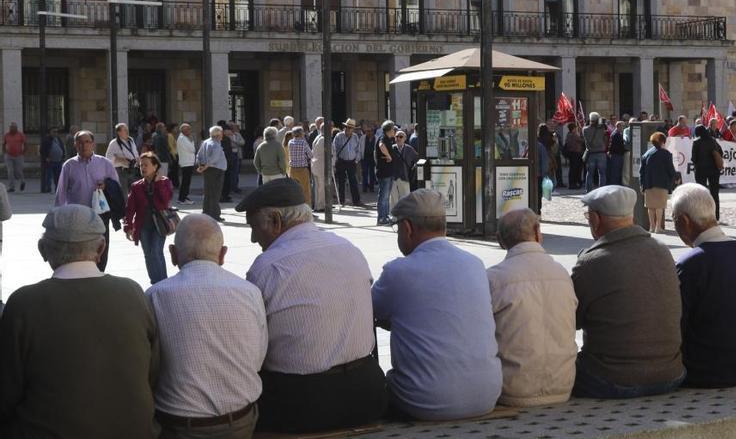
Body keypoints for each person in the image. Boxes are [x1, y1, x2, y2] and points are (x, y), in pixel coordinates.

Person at [237, 179, 386, 433]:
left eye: (254, 227)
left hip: (304, 402)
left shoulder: (268, 267)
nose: (252, 238)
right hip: (367, 395)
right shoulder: (349, 249)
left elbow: (251, 351)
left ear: (275, 221)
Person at [0, 205, 159, 438]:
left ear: (43, 250)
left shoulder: (24, 303)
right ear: (101, 248)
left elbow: (7, 391)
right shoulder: (133, 292)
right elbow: (153, 374)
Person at [373, 189, 502, 419]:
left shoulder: (398, 272)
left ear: (407, 228)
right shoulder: (475, 264)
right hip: (486, 396)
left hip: (424, 400)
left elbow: (368, 311)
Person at [146, 214, 268, 439]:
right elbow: (257, 359)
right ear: (222, 255)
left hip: (177, 425)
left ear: (173, 255)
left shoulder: (155, 296)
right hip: (239, 421)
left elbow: (149, 367)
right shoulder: (249, 292)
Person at [572, 185, 684, 398]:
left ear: (595, 219)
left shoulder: (591, 262)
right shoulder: (662, 251)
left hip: (611, 380)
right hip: (671, 374)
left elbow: (570, 320)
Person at [670, 183, 736, 388]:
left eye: (673, 220)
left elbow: (674, 328)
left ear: (684, 221)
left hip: (707, 373)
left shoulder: (690, 265)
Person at [488, 208, 577, 406]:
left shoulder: (493, 279)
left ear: (500, 240)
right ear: (538, 233)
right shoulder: (562, 273)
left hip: (512, 390)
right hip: (563, 386)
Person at [55, 130, 118, 272]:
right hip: (77, 217)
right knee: (78, 251)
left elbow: (116, 188)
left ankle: (99, 274)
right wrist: (58, 217)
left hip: (100, 215)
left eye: (87, 142)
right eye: (80, 142)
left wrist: (106, 185)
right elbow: (61, 193)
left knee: (101, 248)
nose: (84, 145)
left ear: (93, 144)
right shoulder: (69, 166)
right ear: (75, 145)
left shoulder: (105, 163)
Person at [124, 151, 172, 285]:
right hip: (143, 225)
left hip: (159, 224)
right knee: (148, 254)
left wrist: (159, 184)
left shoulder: (164, 182)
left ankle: (163, 283)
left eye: (146, 165)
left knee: (156, 251)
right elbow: (130, 209)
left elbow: (166, 201)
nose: (143, 168)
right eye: (140, 166)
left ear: (155, 166)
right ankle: (155, 282)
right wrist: (128, 227)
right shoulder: (136, 186)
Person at [639, 132, 677, 234]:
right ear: (662, 142)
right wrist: (675, 179)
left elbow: (641, 171)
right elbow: (670, 169)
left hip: (648, 183)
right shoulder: (666, 154)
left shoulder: (646, 154)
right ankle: (658, 227)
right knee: (659, 206)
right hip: (662, 183)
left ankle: (651, 227)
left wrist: (641, 184)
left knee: (650, 206)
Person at [195, 126, 228, 222]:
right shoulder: (215, 144)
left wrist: (201, 166)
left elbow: (199, 155)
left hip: (208, 170)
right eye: (221, 133)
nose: (222, 135)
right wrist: (204, 166)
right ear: (218, 134)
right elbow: (214, 159)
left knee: (208, 192)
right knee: (215, 193)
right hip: (216, 170)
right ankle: (215, 214)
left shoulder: (205, 142)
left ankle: (206, 212)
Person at [691, 125, 723, 221]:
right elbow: (720, 152)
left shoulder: (696, 142)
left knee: (701, 193)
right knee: (714, 193)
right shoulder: (712, 140)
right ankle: (715, 215)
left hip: (701, 170)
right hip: (714, 170)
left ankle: (703, 215)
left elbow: (694, 158)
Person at [333, 118, 363, 206]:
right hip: (341, 161)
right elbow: (334, 149)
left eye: (351, 128)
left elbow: (358, 150)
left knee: (353, 181)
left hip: (352, 162)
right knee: (341, 182)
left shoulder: (355, 137)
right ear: (345, 127)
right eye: (347, 127)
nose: (349, 129)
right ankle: (341, 200)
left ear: (353, 129)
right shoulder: (339, 136)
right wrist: (335, 161)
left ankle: (356, 200)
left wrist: (356, 160)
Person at [105, 122, 140, 199]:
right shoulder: (114, 143)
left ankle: (132, 207)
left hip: (132, 168)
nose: (127, 131)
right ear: (119, 132)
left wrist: (138, 161)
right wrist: (120, 159)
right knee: (124, 191)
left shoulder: (131, 140)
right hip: (121, 170)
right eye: (124, 130)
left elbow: (135, 152)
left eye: (127, 129)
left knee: (134, 189)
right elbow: (108, 157)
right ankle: (124, 209)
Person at [390, 130, 418, 211]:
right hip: (393, 177)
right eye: (396, 137)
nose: (398, 138)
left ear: (405, 138)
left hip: (405, 177)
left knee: (405, 198)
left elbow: (417, 158)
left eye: (401, 137)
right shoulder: (392, 148)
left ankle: (406, 214)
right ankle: (394, 215)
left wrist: (413, 168)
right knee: (393, 198)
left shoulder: (409, 149)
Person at [582, 112, 608, 191]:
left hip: (591, 153)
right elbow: (604, 122)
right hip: (601, 153)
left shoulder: (585, 129)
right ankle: (601, 190)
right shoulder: (602, 128)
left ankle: (589, 190)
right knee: (602, 174)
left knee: (590, 174)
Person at [287, 126, 313, 195]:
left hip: (292, 169)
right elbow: (311, 155)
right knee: (305, 190)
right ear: (301, 133)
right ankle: (307, 204)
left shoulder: (290, 142)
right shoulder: (303, 142)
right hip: (302, 169)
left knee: (293, 189)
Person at [40, 127, 65, 193]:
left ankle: (57, 189)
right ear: (50, 132)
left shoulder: (58, 139)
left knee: (58, 176)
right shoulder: (46, 140)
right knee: (48, 176)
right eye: (54, 131)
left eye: (56, 132)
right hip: (50, 161)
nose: (55, 133)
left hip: (58, 161)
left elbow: (62, 148)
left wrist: (63, 156)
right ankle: (48, 188)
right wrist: (46, 158)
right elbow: (42, 150)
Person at [176, 123, 196, 205]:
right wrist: (191, 141)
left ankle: (184, 197)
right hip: (186, 163)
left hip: (188, 162)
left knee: (186, 182)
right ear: (184, 130)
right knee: (185, 182)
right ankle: (182, 199)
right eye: (188, 129)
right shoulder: (183, 138)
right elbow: (192, 149)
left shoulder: (184, 138)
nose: (190, 131)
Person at [3, 122, 25, 192]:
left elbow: (25, 143)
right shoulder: (6, 135)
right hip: (9, 156)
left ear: (16, 128)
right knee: (10, 171)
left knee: (18, 171)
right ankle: (11, 187)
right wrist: (5, 152)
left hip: (19, 155)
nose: (12, 129)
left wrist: (23, 152)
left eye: (13, 127)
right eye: (11, 127)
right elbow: (4, 144)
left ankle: (22, 181)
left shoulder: (20, 135)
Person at [564, 122, 585, 189]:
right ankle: (573, 183)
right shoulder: (574, 135)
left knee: (574, 169)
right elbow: (582, 141)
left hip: (573, 154)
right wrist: (581, 135)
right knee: (575, 169)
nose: (576, 129)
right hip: (575, 154)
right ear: (573, 128)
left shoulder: (568, 135)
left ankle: (574, 182)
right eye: (575, 128)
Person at [607, 121, 626, 186]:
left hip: (617, 154)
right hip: (616, 154)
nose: (623, 128)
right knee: (615, 171)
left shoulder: (618, 133)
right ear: (618, 126)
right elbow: (613, 145)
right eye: (622, 126)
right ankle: (614, 185)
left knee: (617, 171)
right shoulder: (615, 134)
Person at [230, 122, 245, 193]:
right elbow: (231, 145)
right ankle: (231, 186)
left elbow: (243, 142)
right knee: (232, 172)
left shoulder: (238, 134)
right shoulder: (228, 135)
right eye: (235, 127)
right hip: (231, 155)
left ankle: (236, 186)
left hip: (238, 155)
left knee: (237, 172)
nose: (236, 129)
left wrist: (235, 142)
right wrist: (236, 143)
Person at [361, 123, 377, 193]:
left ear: (373, 131)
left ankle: (371, 187)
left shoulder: (376, 138)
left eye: (370, 131)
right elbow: (360, 147)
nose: (368, 132)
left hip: (373, 158)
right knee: (364, 173)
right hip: (364, 158)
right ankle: (364, 187)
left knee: (372, 173)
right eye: (367, 131)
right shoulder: (363, 138)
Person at [166, 123, 180, 189]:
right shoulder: (170, 136)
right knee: (173, 171)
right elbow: (170, 146)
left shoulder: (172, 136)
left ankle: (175, 183)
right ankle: (175, 183)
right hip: (173, 155)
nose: (176, 130)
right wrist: (174, 156)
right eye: (175, 128)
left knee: (174, 170)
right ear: (172, 129)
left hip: (174, 154)